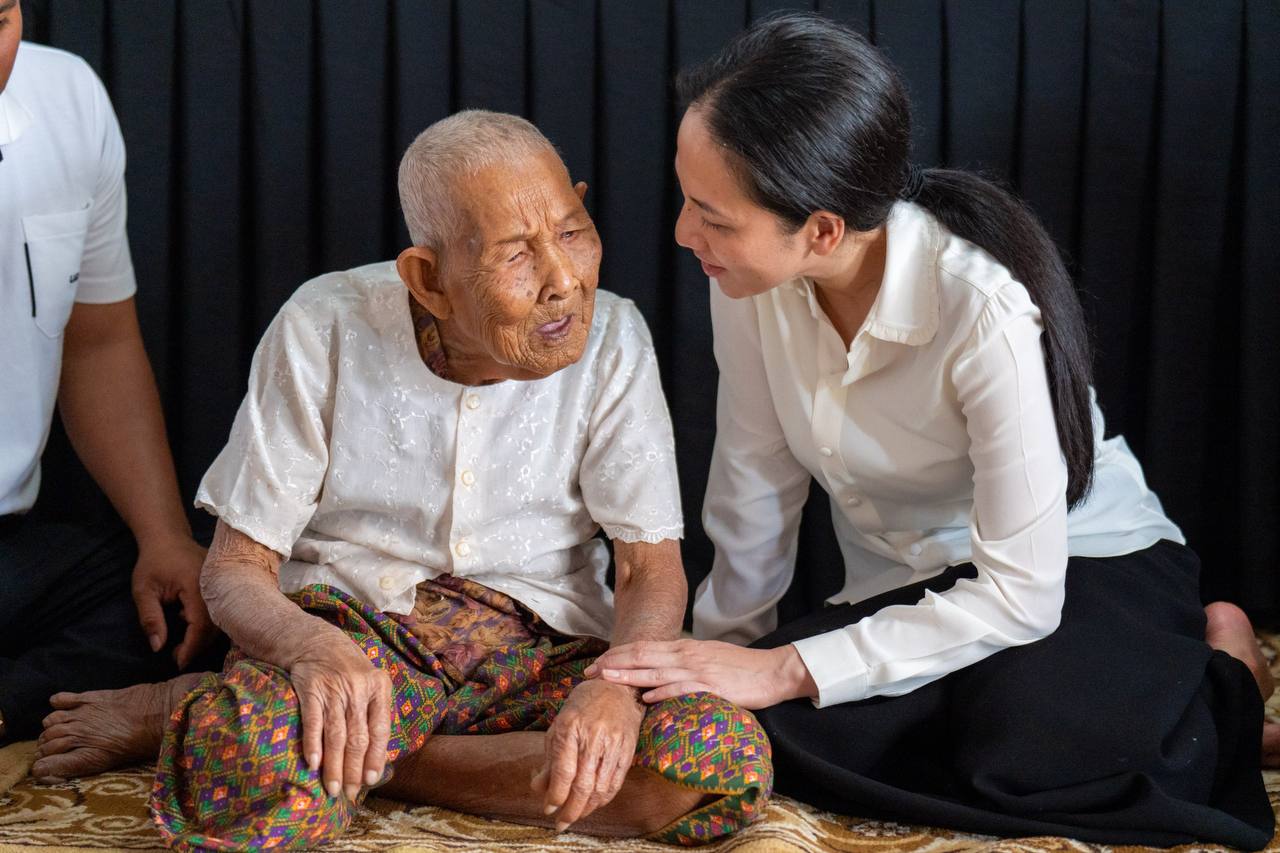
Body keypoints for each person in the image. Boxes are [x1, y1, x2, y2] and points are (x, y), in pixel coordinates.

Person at [588, 13, 1275, 850]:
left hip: (1079, 566)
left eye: (712, 216)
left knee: (1027, 744)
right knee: (766, 735)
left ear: (822, 229)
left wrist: (780, 668)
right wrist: (719, 666)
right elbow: (754, 486)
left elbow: (1023, 593)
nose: (682, 234)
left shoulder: (982, 310)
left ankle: (1226, 680)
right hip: (918, 586)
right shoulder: (746, 278)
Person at [31, 110, 771, 849]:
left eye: (572, 232)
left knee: (718, 757)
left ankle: (357, 756)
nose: (563, 280)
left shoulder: (615, 335)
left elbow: (647, 567)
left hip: (541, 654)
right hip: (357, 636)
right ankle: (329, 736)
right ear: (428, 278)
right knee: (249, 759)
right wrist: (312, 650)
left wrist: (613, 688)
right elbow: (233, 570)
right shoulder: (323, 324)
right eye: (516, 253)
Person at [0, 0, 213, 745]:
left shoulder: (67, 94)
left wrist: (164, 535)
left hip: (9, 547)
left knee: (184, 602)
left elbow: (98, 344)